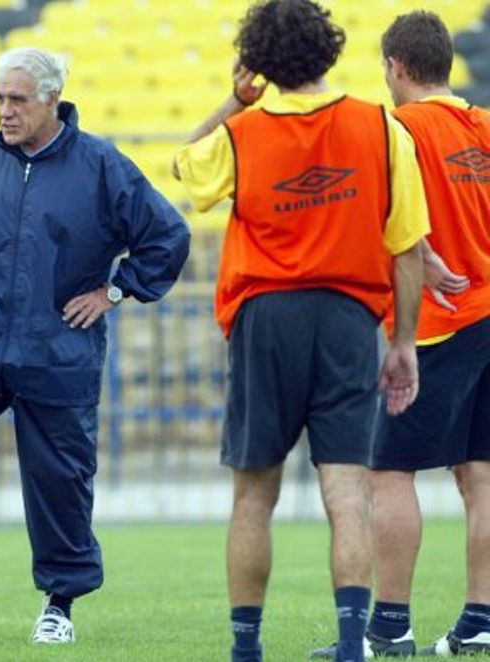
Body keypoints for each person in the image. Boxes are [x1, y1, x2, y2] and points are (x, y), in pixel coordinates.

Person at [0, 46, 190, 644]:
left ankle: (59, 605)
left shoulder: (101, 165)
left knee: (59, 481)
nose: (5, 110)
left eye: (18, 99)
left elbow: (168, 236)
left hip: (60, 352)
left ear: (52, 99)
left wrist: (115, 290)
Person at [171, 1, 429, 661]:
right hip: (347, 318)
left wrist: (235, 101)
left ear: (260, 58)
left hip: (266, 316)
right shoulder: (381, 127)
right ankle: (351, 644)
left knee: (254, 494)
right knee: (347, 490)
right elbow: (407, 248)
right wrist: (403, 342)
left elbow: (183, 165)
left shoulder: (242, 134)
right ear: (329, 49)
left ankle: (246, 650)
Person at [315, 11, 490, 658]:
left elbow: (374, 216)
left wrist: (425, 256)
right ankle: (480, 619)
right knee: (480, 472)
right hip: (489, 313)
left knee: (389, 471)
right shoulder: (485, 125)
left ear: (395, 65)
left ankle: (390, 625)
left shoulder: (396, 130)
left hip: (438, 323)